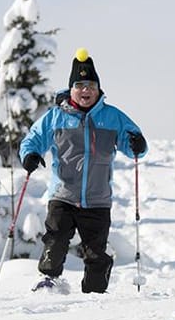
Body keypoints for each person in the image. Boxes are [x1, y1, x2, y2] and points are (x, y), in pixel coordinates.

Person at [19, 47, 148, 293]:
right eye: (80, 85)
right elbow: (31, 141)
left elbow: (136, 146)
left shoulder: (112, 117)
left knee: (96, 252)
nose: (85, 90)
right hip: (63, 194)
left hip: (97, 199)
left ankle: (95, 294)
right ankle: (49, 281)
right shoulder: (56, 117)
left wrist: (137, 144)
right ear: (72, 89)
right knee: (54, 241)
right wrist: (31, 155)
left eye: (90, 85)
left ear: (98, 89)